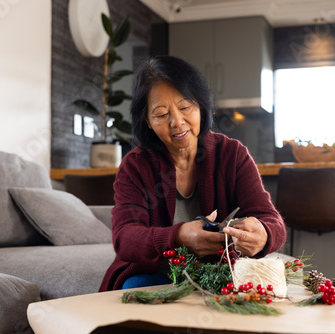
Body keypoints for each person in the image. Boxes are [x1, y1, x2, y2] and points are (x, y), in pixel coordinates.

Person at [99, 55, 286, 291]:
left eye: (185, 107)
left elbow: (271, 220)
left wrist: (264, 234)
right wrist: (177, 237)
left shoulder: (232, 154)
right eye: (161, 114)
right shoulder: (136, 166)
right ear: (147, 120)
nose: (177, 122)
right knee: (136, 289)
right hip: (156, 275)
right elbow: (125, 239)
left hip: (220, 274)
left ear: (200, 105)